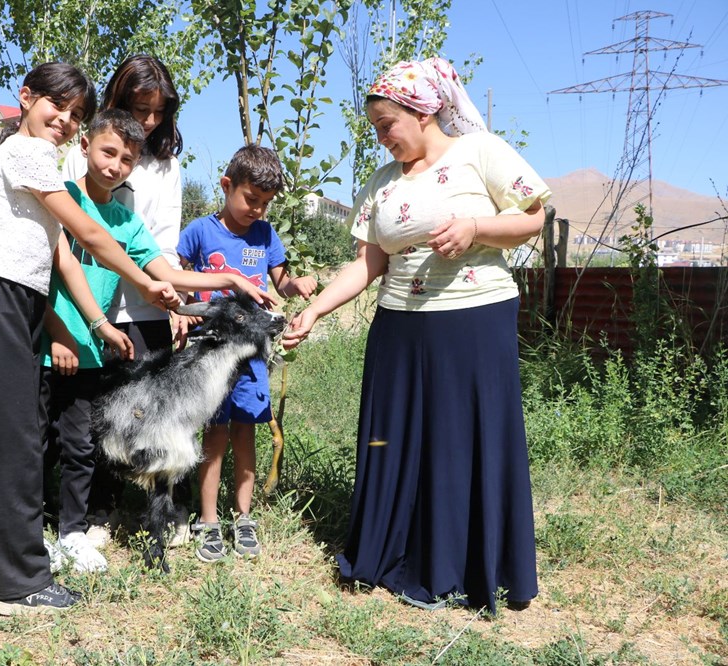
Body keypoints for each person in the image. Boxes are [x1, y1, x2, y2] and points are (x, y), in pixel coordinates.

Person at [282, 57, 549, 614]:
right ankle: (392, 554)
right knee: (396, 438)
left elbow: (533, 218)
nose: (382, 139)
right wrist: (317, 312)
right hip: (399, 325)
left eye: (388, 125)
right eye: (376, 129)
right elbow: (367, 264)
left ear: (423, 111)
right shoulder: (382, 183)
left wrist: (476, 227)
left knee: (460, 440)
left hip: (474, 319)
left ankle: (463, 567)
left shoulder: (480, 151)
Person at [0, 62, 178, 616]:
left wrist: (101, 319)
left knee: (21, 438)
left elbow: (67, 264)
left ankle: (11, 553)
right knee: (10, 441)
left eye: (77, 114)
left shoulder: (40, 160)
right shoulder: (26, 152)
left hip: (18, 300)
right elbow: (90, 234)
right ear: (26, 98)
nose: (67, 120)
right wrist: (148, 280)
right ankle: (18, 584)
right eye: (59, 106)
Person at [42, 110, 277, 573]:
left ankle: (69, 531)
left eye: (126, 159)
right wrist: (56, 332)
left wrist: (224, 277)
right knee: (39, 437)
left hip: (91, 344)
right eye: (108, 152)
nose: (115, 165)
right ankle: (29, 526)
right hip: (51, 336)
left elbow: (163, 271)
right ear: (84, 146)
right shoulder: (61, 198)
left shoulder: (126, 222)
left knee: (78, 442)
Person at [60, 54, 190, 546]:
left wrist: (171, 300)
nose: (150, 120)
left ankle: (159, 505)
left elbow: (162, 240)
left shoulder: (167, 163)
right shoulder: (87, 151)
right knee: (99, 413)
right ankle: (99, 508)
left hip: (148, 303)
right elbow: (78, 231)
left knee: (150, 412)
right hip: (91, 303)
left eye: (160, 111)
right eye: (141, 107)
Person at [178, 144, 317, 563]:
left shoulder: (265, 235)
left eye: (265, 203)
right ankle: (207, 520)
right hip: (211, 350)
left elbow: (281, 281)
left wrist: (298, 285)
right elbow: (178, 276)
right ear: (227, 185)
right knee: (214, 435)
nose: (257, 210)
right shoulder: (199, 231)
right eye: (251, 200)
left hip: (252, 354)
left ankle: (243, 517)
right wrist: (178, 313)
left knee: (245, 432)